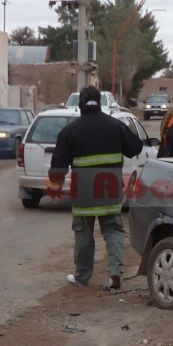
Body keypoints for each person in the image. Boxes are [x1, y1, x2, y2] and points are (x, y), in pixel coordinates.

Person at [46, 86, 143, 290]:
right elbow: (135, 147)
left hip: (84, 190)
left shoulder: (70, 130)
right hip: (110, 187)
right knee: (113, 230)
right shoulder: (115, 125)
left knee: (83, 234)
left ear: (80, 105)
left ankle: (82, 277)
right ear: (99, 103)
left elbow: (59, 163)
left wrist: (55, 185)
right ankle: (115, 274)